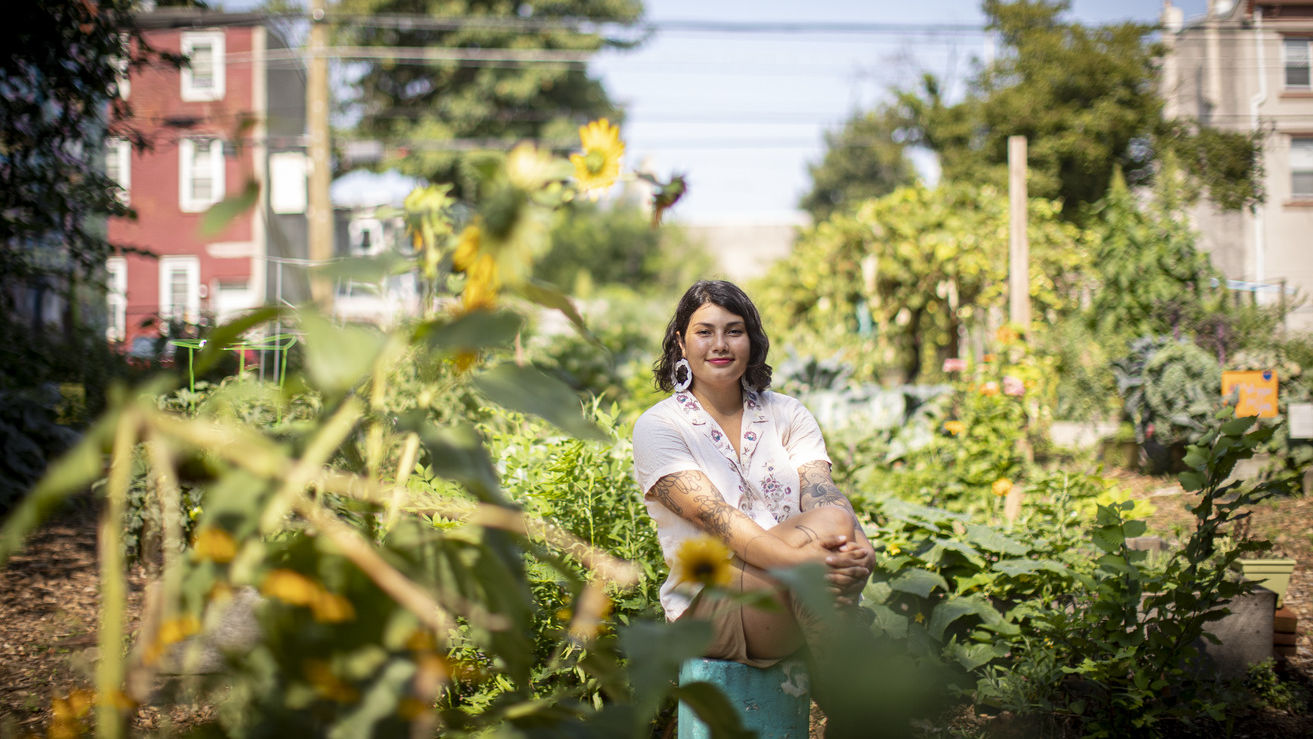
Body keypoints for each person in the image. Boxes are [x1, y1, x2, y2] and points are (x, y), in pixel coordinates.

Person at [631, 279, 876, 669]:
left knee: (835, 519)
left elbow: (823, 493)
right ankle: (848, 700)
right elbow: (718, 519)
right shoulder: (660, 426)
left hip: (789, 587)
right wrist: (811, 567)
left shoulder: (787, 412)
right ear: (681, 343)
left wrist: (861, 552)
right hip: (711, 605)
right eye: (704, 332)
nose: (720, 345)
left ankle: (847, 704)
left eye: (734, 331)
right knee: (830, 539)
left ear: (752, 339)